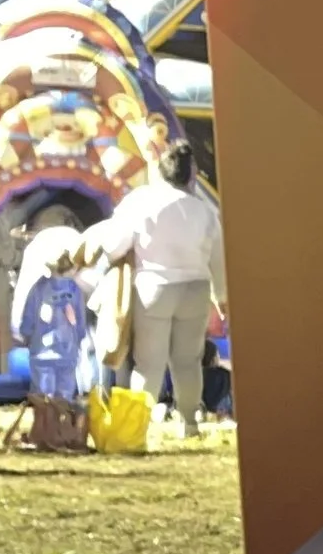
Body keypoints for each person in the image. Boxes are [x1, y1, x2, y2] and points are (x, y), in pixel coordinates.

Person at [86, 145, 226, 437]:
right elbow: (218, 257)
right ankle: (189, 423)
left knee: (149, 363)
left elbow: (114, 247)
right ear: (191, 176)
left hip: (153, 288)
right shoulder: (204, 210)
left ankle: (139, 426)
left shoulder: (140, 201)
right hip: (196, 288)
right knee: (188, 362)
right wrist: (221, 297)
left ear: (159, 172)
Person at [15, 230, 97, 449]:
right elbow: (80, 321)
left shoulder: (39, 288)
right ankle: (64, 432)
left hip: (42, 351)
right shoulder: (75, 290)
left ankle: (44, 433)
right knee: (64, 393)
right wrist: (78, 338)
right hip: (68, 351)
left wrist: (25, 334)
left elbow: (29, 316)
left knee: (43, 395)